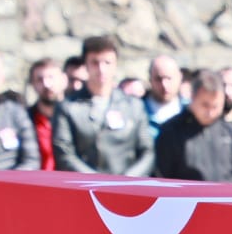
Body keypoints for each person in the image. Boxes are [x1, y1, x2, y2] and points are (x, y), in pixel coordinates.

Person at [52, 35, 155, 176]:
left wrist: (127, 181)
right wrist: (98, 182)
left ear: (115, 64)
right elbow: (64, 153)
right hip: (83, 188)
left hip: (128, 188)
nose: (101, 69)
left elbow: (147, 151)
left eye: (107, 62)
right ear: (86, 66)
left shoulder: (133, 105)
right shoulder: (68, 107)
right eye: (95, 62)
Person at [155, 70, 232, 183]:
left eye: (215, 106)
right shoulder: (171, 131)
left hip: (225, 198)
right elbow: (161, 179)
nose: (210, 112)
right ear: (193, 97)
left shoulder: (231, 132)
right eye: (205, 105)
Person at [27, 58, 66, 172]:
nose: (46, 84)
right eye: (40, 79)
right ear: (33, 84)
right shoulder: (26, 119)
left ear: (63, 80)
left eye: (51, 78)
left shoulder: (75, 117)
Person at [144, 55, 185, 128]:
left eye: (169, 78)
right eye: (158, 79)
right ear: (150, 80)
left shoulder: (191, 111)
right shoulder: (137, 111)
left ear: (180, 77)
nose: (164, 85)